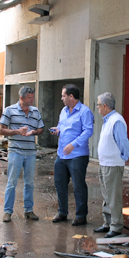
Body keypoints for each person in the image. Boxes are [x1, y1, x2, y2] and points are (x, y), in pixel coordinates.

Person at [49, 84, 94, 226]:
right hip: (61, 155)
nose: (61, 98)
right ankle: (62, 212)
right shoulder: (63, 111)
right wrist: (58, 130)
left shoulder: (85, 112)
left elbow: (88, 131)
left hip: (77, 155)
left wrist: (73, 144)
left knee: (78, 186)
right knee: (60, 184)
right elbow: (62, 126)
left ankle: (81, 215)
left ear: (71, 97)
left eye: (63, 95)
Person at [0, 86, 44, 222]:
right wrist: (17, 131)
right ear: (22, 98)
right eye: (29, 98)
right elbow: (1, 130)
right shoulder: (9, 110)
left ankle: (28, 210)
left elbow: (40, 128)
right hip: (15, 151)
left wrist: (34, 132)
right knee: (12, 182)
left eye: (32, 97)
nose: (32, 100)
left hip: (30, 152)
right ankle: (7, 211)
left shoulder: (35, 111)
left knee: (29, 182)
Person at [94, 92, 129, 238]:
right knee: (106, 195)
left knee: (114, 196)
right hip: (105, 163)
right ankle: (107, 223)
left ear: (105, 106)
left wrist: (125, 156)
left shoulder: (116, 120)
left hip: (112, 164)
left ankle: (116, 226)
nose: (97, 108)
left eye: (98, 105)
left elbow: (123, 141)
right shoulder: (107, 120)